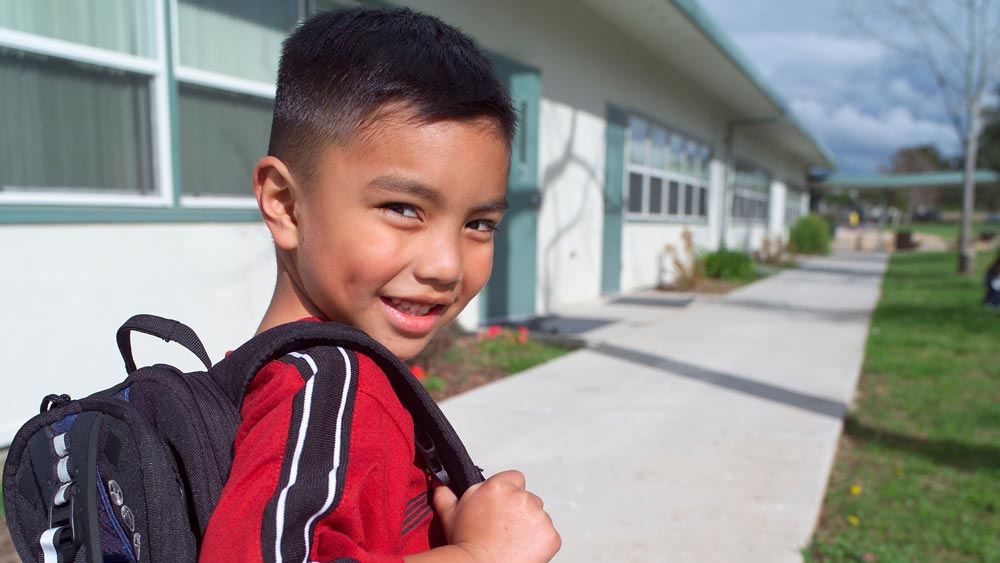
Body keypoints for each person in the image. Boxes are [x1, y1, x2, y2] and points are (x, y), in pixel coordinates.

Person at [198, 7, 561, 563]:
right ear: (286, 204)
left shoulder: (281, 377)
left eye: (478, 224)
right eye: (402, 208)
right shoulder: (330, 389)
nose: (446, 265)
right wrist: (485, 555)